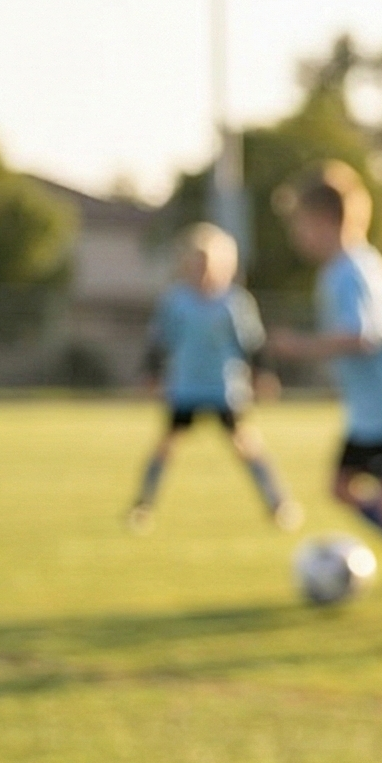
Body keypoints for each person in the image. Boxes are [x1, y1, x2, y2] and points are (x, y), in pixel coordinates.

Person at [271, 162, 382, 615]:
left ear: (322, 221)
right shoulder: (370, 263)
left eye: (300, 224)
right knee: (351, 488)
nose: (298, 236)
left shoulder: (343, 272)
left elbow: (362, 336)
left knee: (378, 498)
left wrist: (300, 346)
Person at [129, 222, 297, 534]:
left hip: (224, 389)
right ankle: (142, 505)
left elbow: (252, 343)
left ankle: (278, 503)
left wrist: (263, 375)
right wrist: (150, 373)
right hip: (186, 387)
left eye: (208, 263)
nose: (202, 270)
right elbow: (159, 341)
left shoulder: (234, 302)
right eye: (196, 263)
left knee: (245, 444)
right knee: (165, 446)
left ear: (223, 265)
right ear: (186, 264)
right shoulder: (176, 302)